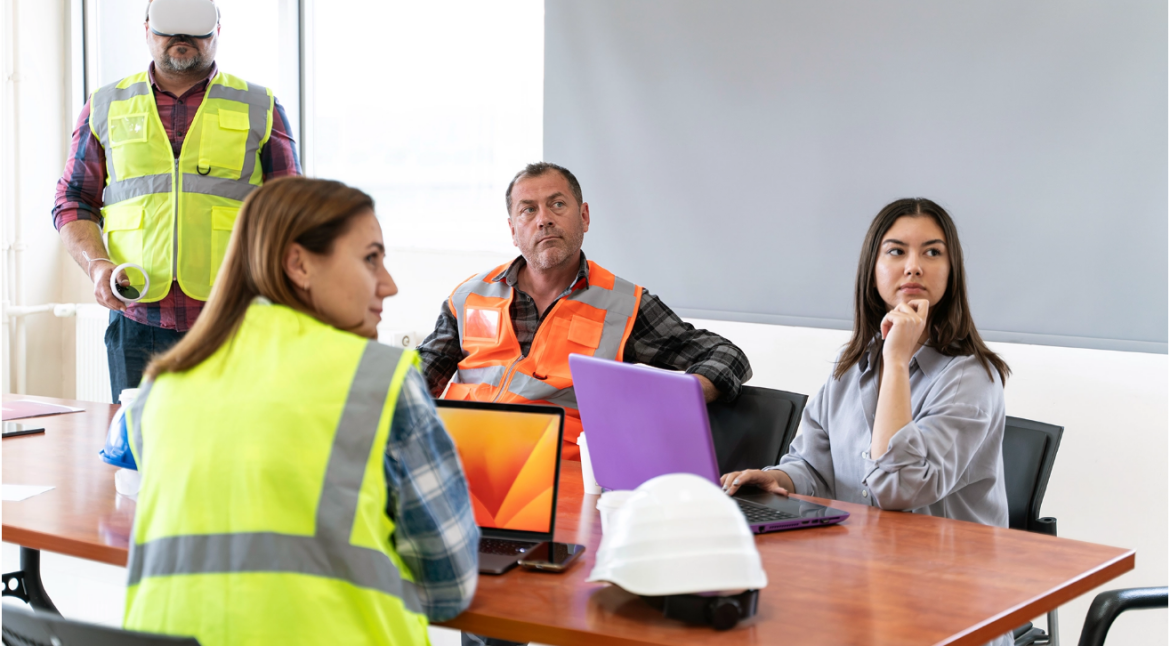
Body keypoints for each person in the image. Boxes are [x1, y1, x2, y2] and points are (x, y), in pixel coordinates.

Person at [105, 177, 478, 645]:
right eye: (370, 258)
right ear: (299, 264)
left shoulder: (164, 386)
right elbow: (448, 586)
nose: (389, 284)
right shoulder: (377, 379)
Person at [418, 162, 753, 461]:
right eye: (528, 210)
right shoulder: (468, 297)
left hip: (561, 482)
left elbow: (727, 355)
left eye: (557, 204)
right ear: (513, 231)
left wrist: (677, 399)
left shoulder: (623, 305)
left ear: (584, 217)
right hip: (463, 468)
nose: (544, 219)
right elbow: (416, 382)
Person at [53, 0, 300, 402]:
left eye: (196, 27)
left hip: (234, 317)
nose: (181, 37)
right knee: (143, 452)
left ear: (218, 32)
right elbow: (73, 199)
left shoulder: (260, 105)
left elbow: (293, 209)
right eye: (170, 26)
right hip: (137, 317)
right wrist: (97, 265)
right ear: (147, 28)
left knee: (232, 451)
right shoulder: (105, 104)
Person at [723, 197, 1011, 524]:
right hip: (862, 553)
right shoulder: (852, 365)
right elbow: (812, 465)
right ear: (872, 270)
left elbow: (898, 489)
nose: (913, 266)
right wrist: (779, 479)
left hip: (944, 567)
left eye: (932, 252)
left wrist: (898, 362)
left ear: (951, 271)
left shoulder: (970, 377)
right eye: (896, 251)